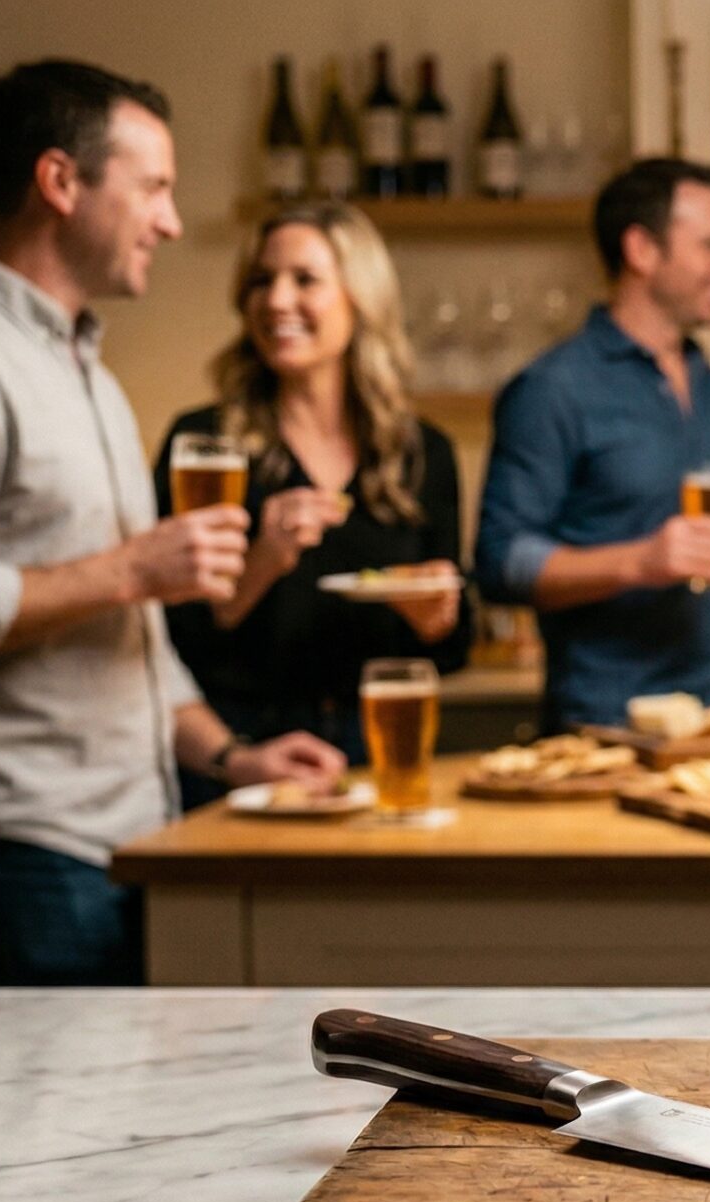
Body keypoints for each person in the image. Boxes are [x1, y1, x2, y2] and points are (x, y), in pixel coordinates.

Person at [0, 61, 343, 986]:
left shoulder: (87, 377)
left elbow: (132, 638)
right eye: (152, 187)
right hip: (13, 843)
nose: (172, 220)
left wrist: (231, 755)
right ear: (60, 182)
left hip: (120, 837)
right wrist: (131, 570)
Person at [475, 158, 710, 731]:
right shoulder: (552, 389)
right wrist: (639, 562)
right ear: (641, 250)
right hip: (611, 732)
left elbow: (702, 542)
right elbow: (502, 562)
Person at [155, 202, 469, 804]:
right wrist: (263, 559)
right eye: (261, 281)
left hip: (379, 748)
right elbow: (168, 638)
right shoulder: (205, 446)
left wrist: (438, 617)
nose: (276, 301)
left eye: (304, 280)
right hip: (239, 748)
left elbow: (448, 649)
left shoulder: (421, 452)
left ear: (360, 298)